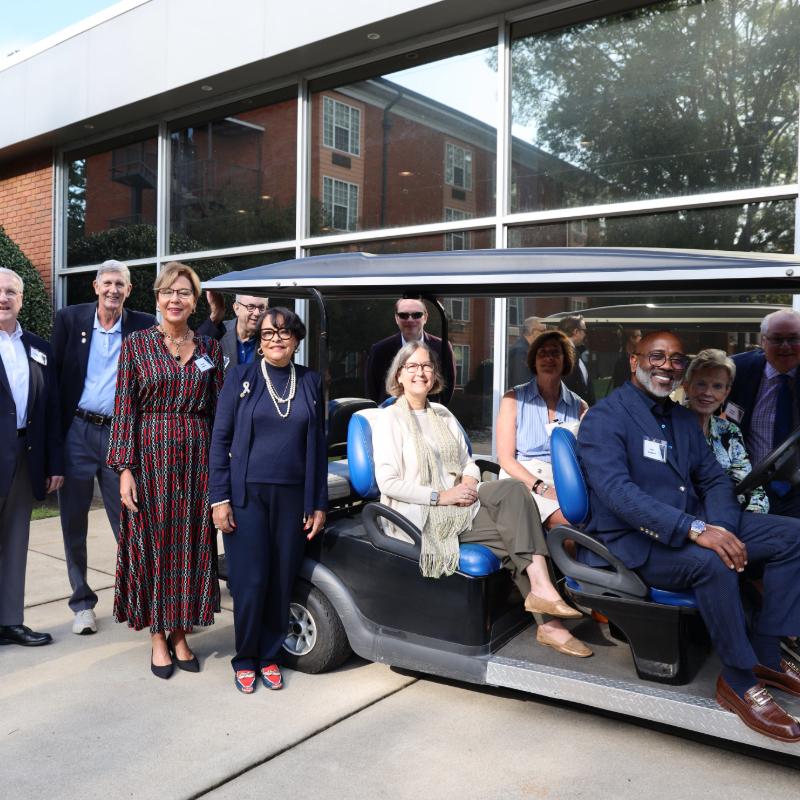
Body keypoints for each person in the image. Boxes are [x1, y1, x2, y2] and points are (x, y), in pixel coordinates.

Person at [578, 330, 800, 742]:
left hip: (698, 524)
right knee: (712, 561)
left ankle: (767, 651)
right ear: (634, 361)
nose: (667, 366)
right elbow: (619, 494)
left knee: (794, 535)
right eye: (656, 357)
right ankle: (736, 680)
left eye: (677, 359)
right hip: (639, 540)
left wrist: (725, 531)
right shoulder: (606, 418)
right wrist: (697, 530)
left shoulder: (681, 418)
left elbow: (715, 480)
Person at [373, 341, 591, 658]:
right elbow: (388, 483)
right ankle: (549, 622)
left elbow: (468, 462)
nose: (421, 372)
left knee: (515, 490)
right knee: (512, 530)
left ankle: (542, 591)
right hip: (419, 512)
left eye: (427, 366)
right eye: (413, 367)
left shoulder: (443, 414)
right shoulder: (389, 419)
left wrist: (470, 483)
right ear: (400, 375)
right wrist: (442, 495)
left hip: (461, 501)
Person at [107, 262, 224, 679]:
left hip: (197, 463)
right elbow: (125, 407)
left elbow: (220, 412)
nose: (175, 300)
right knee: (154, 545)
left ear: (196, 302)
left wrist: (222, 469)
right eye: (168, 292)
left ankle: (180, 632)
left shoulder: (211, 350)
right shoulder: (137, 345)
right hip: (151, 462)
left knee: (190, 546)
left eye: (184, 293)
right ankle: (159, 634)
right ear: (156, 298)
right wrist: (125, 468)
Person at [210, 307, 327, 693]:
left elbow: (318, 447)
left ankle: (271, 655)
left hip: (293, 497)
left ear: (296, 339)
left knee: (280, 579)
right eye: (267, 334)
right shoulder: (241, 377)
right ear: (259, 342)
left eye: (283, 333)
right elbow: (220, 440)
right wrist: (219, 498)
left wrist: (318, 502)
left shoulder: (310, 380)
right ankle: (245, 657)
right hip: (247, 496)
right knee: (250, 580)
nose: (276, 339)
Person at [52, 259, 155, 635]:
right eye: (108, 283)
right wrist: (54, 444)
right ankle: (82, 603)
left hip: (120, 435)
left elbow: (181, 345)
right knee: (73, 522)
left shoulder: (143, 325)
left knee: (129, 519)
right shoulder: (70, 320)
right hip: (78, 430)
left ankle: (140, 598)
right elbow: (55, 380)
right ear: (96, 286)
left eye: (121, 285)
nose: (113, 290)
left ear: (129, 291)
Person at [0, 267, 63, 647]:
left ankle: (9, 621)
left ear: (22, 300)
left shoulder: (39, 347)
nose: (3, 297)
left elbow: (51, 408)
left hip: (25, 457)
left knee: (16, 539)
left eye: (11, 291)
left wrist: (54, 462)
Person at [497, 330, 587, 531]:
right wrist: (540, 486)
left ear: (566, 360)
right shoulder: (513, 399)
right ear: (534, 360)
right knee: (571, 522)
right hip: (522, 482)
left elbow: (585, 457)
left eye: (555, 353)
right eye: (542, 353)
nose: (548, 358)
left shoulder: (579, 406)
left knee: (597, 519)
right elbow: (505, 459)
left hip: (565, 481)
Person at [728, 309, 800, 517]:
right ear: (763, 341)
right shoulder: (737, 370)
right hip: (751, 489)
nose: (785, 346)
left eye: (794, 338)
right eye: (777, 339)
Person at [684, 349, 768, 514]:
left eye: (717, 386)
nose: (708, 393)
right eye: (701, 383)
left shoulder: (729, 431)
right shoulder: (668, 427)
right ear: (687, 386)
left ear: (726, 393)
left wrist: (753, 516)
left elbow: (753, 488)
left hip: (735, 517)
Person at [365, 298, 456, 404]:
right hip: (390, 416)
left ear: (425, 317)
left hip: (428, 414)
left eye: (417, 315)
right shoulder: (380, 350)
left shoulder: (442, 347)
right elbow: (371, 390)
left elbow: (447, 387)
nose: (410, 320)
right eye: (403, 315)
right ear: (396, 318)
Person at [197, 290, 267, 373]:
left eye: (262, 308)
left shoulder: (271, 339)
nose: (257, 313)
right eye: (250, 307)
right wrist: (216, 314)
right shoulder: (217, 333)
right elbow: (197, 363)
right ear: (236, 308)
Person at [558, 314, 595, 406]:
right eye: (584, 330)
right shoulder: (563, 353)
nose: (585, 334)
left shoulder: (572, 350)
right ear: (576, 331)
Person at [507, 315, 546, 387]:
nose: (545, 335)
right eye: (543, 331)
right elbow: (521, 382)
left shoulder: (526, 349)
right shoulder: (520, 351)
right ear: (534, 332)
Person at [609, 327, 642, 392]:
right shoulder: (621, 364)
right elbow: (619, 389)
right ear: (631, 339)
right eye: (639, 335)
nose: (641, 338)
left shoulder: (642, 359)